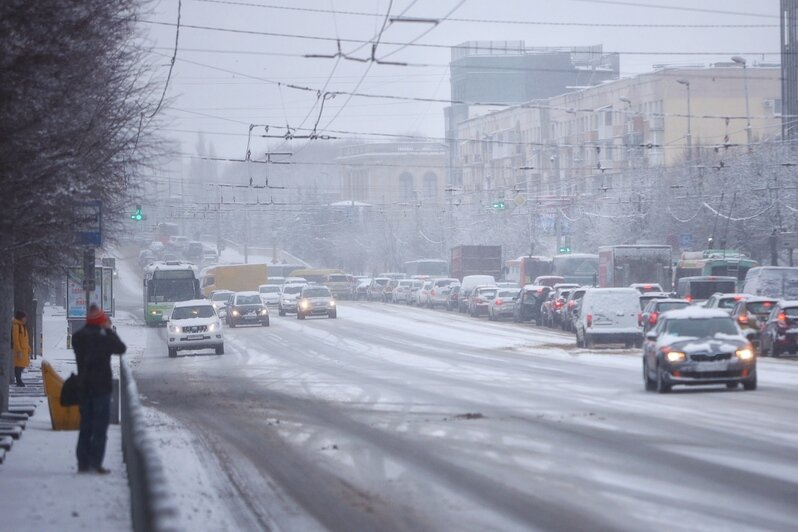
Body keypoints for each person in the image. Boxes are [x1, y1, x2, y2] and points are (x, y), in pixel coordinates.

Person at [72, 304, 126, 474]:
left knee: (85, 426)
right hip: (102, 388)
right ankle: (96, 462)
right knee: (100, 428)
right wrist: (109, 330)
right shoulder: (104, 338)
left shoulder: (78, 337)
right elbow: (121, 349)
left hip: (84, 387)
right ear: (102, 321)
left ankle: (82, 463)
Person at [12, 310, 31, 387]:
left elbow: (25, 339)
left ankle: (19, 380)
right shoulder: (17, 326)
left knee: (21, 365)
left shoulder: (22, 326)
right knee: (18, 366)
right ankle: (18, 381)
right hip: (20, 350)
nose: (25, 319)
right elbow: (16, 339)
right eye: (24, 317)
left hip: (24, 349)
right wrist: (19, 350)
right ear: (20, 318)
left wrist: (28, 348)